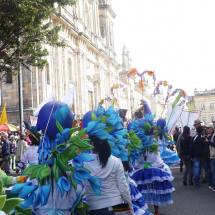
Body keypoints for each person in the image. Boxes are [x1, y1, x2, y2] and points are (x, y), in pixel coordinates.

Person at [83, 135, 133, 215]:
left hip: (93, 208)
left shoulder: (83, 162)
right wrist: (130, 208)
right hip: (116, 206)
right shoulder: (116, 161)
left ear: (91, 143)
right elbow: (123, 188)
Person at [203, 123, 215, 191]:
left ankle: (214, 186)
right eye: (206, 129)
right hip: (210, 155)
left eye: (208, 129)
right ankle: (212, 184)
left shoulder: (214, 135)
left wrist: (208, 141)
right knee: (211, 170)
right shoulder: (209, 135)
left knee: (213, 171)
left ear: (211, 129)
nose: (206, 130)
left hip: (213, 156)